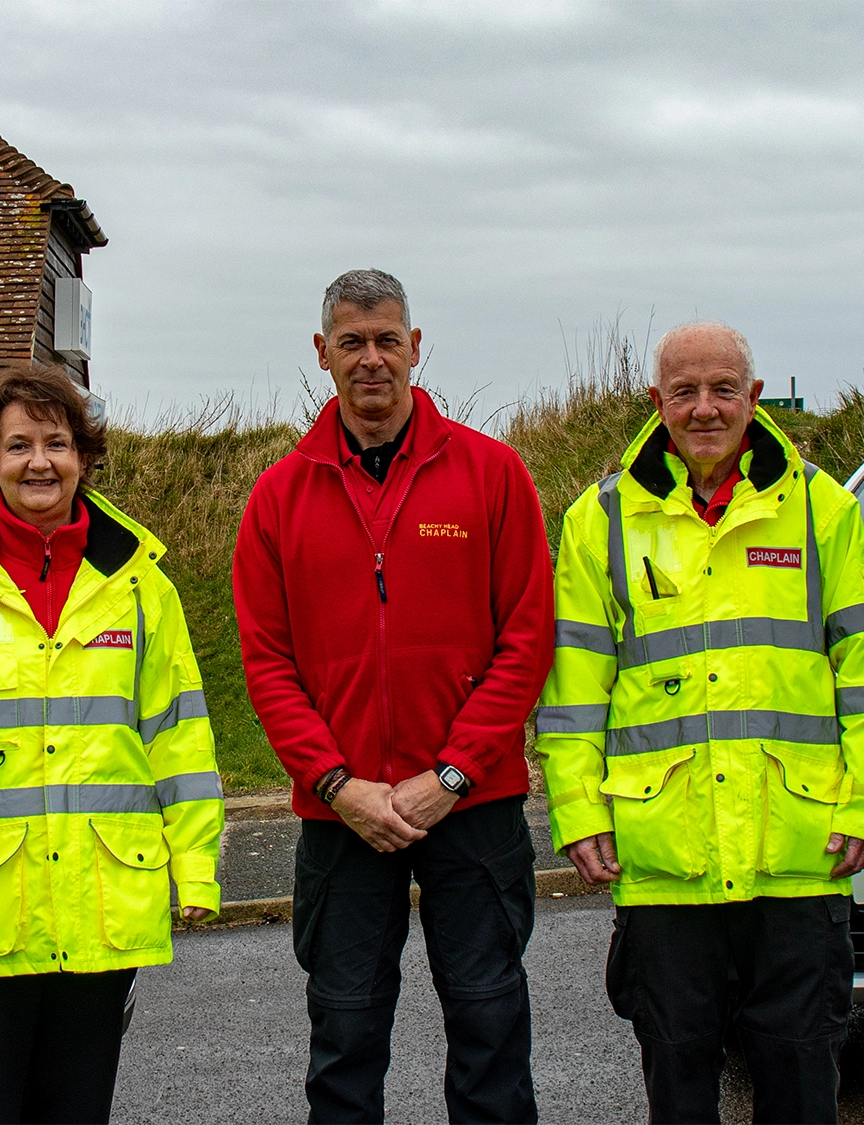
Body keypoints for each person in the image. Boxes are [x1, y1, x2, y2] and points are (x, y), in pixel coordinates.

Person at [538, 322, 864, 1125]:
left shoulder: (821, 508)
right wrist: (578, 811)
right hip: (665, 852)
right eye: (685, 392)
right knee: (677, 1088)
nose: (705, 409)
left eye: (723, 390)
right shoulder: (598, 521)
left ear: (755, 397)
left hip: (799, 852)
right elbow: (573, 692)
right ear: (656, 401)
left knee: (802, 1083)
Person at [0, 359, 224, 1124]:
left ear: (85, 457)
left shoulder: (140, 583)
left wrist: (195, 864)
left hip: (98, 902)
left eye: (56, 443)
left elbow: (179, 736)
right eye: (18, 445)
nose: (39, 463)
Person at [233, 269, 554, 1122]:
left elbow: (526, 643)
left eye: (386, 340)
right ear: (322, 354)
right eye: (351, 342)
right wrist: (340, 784)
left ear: (416, 346)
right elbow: (267, 663)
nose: (371, 359)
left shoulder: (492, 475)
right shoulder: (277, 496)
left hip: (473, 807)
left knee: (490, 1024)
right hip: (341, 814)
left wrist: (447, 775)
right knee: (344, 1037)